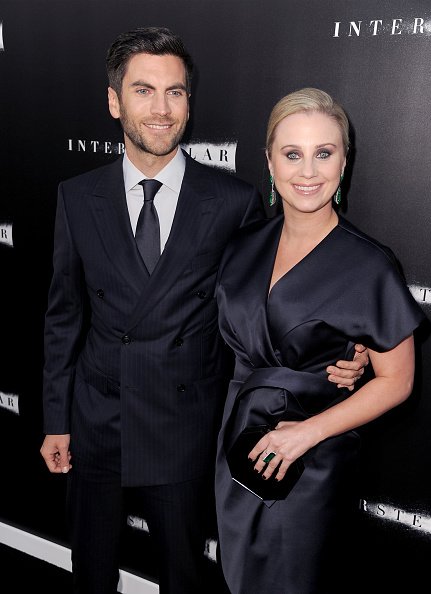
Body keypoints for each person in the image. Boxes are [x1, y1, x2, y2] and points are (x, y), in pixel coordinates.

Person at [39, 27, 367, 594]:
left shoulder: (233, 201)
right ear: (115, 101)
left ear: (190, 101)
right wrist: (55, 420)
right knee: (89, 575)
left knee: (184, 577)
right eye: (144, 91)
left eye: (176, 92)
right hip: (97, 424)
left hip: (185, 428)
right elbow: (64, 317)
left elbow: (275, 301)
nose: (161, 109)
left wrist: (346, 349)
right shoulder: (75, 195)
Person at [214, 88, 426, 594]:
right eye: (292, 154)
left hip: (312, 460)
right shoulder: (245, 245)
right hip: (239, 446)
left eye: (323, 154)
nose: (307, 172)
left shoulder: (368, 264)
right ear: (268, 161)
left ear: (344, 163)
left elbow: (397, 381)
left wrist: (306, 434)